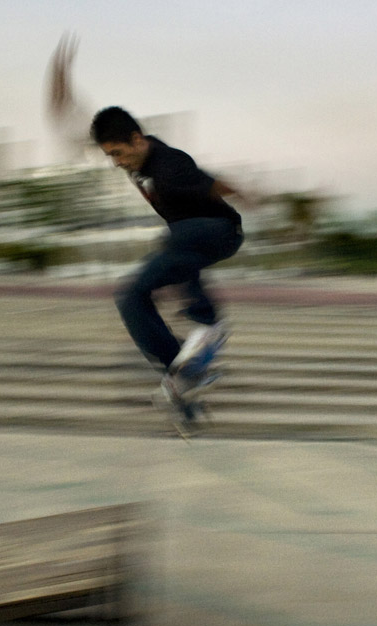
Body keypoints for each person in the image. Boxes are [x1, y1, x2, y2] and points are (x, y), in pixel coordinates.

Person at [46, 34, 249, 401]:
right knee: (130, 295)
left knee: (177, 236)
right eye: (111, 156)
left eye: (121, 153)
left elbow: (214, 185)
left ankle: (208, 324)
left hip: (222, 231)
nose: (118, 162)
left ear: (138, 139)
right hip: (187, 243)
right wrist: (60, 82)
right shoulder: (125, 150)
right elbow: (70, 121)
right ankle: (181, 369)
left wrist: (252, 195)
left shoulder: (171, 164)